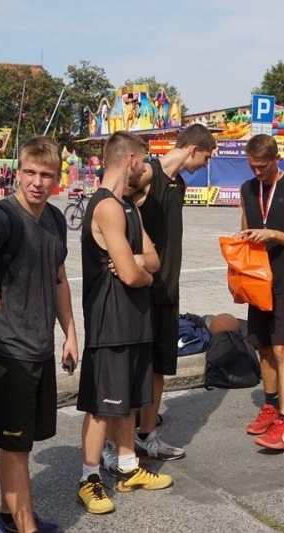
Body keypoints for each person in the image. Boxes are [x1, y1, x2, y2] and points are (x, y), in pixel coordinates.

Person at [0, 137, 76, 533]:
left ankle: (9, 518)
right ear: (18, 173)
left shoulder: (55, 219)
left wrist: (71, 333)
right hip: (7, 349)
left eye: (46, 175)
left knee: (21, 441)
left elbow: (59, 278)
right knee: (14, 445)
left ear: (58, 179)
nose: (37, 182)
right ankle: (24, 527)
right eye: (30, 172)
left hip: (40, 345)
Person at [109, 123, 215, 464]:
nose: (205, 164)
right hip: (142, 289)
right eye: (206, 157)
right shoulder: (146, 174)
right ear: (193, 149)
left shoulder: (178, 184)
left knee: (158, 367)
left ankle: (147, 434)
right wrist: (126, 256)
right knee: (131, 370)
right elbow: (110, 205)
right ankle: (114, 443)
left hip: (168, 289)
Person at [76, 131, 169, 515]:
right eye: (144, 161)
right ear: (130, 160)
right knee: (102, 406)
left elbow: (153, 259)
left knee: (129, 399)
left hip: (134, 320)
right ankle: (89, 477)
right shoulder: (106, 206)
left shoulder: (128, 205)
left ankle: (128, 467)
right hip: (109, 322)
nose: (146, 168)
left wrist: (138, 265)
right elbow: (132, 275)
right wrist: (141, 272)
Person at [239, 134, 284, 450]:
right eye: (252, 166)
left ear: (276, 160)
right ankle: (270, 406)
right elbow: (244, 230)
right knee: (264, 348)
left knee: (283, 349)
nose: (257, 172)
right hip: (258, 279)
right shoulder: (247, 189)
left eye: (263, 167)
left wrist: (273, 234)